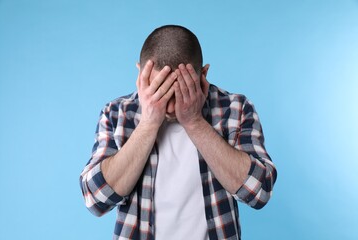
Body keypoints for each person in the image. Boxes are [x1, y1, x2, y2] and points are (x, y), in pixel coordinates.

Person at [79, 25, 277, 240]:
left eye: (181, 91)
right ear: (140, 74)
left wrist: (194, 122)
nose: (170, 107)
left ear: (203, 74)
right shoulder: (116, 113)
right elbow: (96, 200)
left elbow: (259, 193)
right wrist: (148, 124)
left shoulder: (236, 108)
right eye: (159, 89)